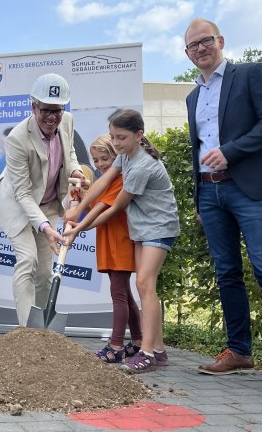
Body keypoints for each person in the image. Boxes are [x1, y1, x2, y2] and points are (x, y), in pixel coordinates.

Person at [182, 18, 262, 390]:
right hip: (210, 192)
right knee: (226, 273)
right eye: (192, 46)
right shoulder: (192, 96)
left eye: (205, 41)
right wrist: (200, 198)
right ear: (187, 54)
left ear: (220, 41)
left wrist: (230, 151)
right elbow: (197, 150)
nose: (200, 49)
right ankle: (238, 351)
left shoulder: (250, 74)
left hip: (248, 188)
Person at [66, 109, 178, 373]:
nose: (116, 143)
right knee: (144, 288)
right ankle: (159, 351)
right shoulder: (126, 157)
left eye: (121, 137)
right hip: (141, 228)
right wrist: (78, 206)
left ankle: (147, 353)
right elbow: (102, 182)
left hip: (158, 227)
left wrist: (78, 227)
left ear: (139, 135)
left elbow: (115, 207)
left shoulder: (141, 165)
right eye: (113, 137)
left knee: (144, 283)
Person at [0, 73, 86, 326]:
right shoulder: (17, 138)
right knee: (27, 260)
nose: (52, 117)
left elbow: (71, 152)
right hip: (17, 207)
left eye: (58, 110)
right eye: (46, 110)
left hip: (49, 203)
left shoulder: (67, 121)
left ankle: (41, 329)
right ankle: (26, 331)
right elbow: (22, 193)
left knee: (45, 273)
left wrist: (75, 170)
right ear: (33, 105)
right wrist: (45, 228)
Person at [74, 134, 142, 363]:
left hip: (120, 242)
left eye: (105, 158)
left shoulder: (121, 180)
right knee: (125, 294)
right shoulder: (104, 182)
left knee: (118, 294)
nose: (101, 164)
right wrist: (84, 193)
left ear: (117, 157)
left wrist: (77, 227)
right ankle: (139, 341)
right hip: (109, 242)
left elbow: (102, 211)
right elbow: (94, 205)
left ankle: (116, 345)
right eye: (96, 160)